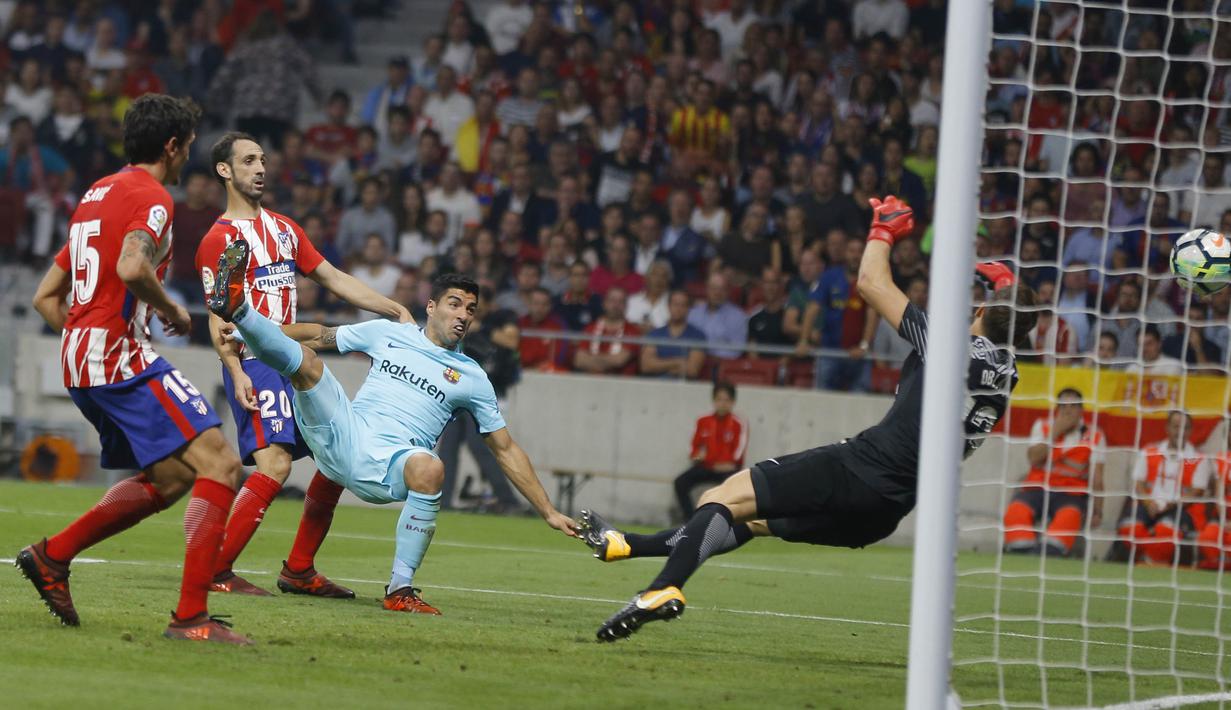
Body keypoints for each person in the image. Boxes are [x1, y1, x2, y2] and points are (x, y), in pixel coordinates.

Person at [575, 196, 1037, 641]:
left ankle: (660, 589)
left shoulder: (951, 345)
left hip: (860, 470)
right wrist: (1003, 290)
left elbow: (872, 285)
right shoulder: (1008, 372)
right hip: (888, 510)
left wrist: (884, 228)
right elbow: (1006, 320)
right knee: (748, 520)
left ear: (980, 309)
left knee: (721, 496)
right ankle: (627, 544)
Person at [210, 257, 577, 614]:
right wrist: (243, 332)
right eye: (455, 304)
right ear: (431, 307)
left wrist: (548, 511)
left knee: (430, 468)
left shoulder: (472, 377)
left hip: (390, 465)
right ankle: (241, 310)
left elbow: (505, 449)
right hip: (345, 432)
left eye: (471, 309)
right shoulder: (390, 333)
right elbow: (319, 334)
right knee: (307, 361)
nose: (464, 315)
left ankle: (399, 589)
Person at [18, 94, 251, 644]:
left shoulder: (95, 193)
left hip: (80, 356)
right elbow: (131, 265)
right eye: (189, 147)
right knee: (221, 462)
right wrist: (170, 309)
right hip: (114, 353)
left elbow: (44, 296)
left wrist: (83, 339)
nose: (187, 156)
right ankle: (191, 618)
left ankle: (52, 557)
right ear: (172, 147)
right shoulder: (151, 195)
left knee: (172, 477)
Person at [195, 132, 411, 596]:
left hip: (296, 365)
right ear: (224, 170)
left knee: (334, 460)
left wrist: (390, 308)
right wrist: (234, 372)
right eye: (249, 160)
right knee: (274, 465)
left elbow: (332, 276)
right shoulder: (218, 239)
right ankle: (215, 571)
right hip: (257, 361)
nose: (260, 168)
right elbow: (218, 317)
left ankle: (299, 568)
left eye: (263, 159)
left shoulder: (285, 229)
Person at [1002, 389, 1106, 557]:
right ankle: (1021, 553)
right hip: (1037, 488)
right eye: (1064, 406)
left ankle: (1046, 554)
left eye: (1073, 406)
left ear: (1081, 410)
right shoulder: (1042, 426)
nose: (1068, 410)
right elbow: (1034, 459)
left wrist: (1098, 510)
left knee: (1069, 517)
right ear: (1057, 408)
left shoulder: (1095, 435)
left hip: (1070, 493)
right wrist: (1054, 432)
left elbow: (1097, 477)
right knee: (1016, 511)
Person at [1117, 411, 1211, 565]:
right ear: (1167, 428)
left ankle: (1146, 563)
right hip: (1148, 505)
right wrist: (1148, 503)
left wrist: (1170, 505)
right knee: (1129, 527)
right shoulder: (1149, 452)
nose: (1180, 432)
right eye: (1176, 427)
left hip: (1180, 509)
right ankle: (1151, 560)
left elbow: (1197, 492)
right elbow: (1138, 483)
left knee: (1165, 531)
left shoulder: (1199, 459)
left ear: (1191, 431)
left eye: (1185, 428)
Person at [672, 382, 748, 517]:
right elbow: (693, 452)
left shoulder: (739, 423)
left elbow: (737, 456)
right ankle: (691, 521)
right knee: (680, 482)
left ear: (733, 402)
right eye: (719, 399)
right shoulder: (703, 421)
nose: (722, 403)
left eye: (726, 400)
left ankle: (728, 523)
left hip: (728, 470)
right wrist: (698, 458)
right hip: (706, 466)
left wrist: (725, 464)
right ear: (714, 401)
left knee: (736, 491)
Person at [641, 290, 707, 379]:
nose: (678, 309)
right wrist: (677, 362)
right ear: (668, 306)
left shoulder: (697, 336)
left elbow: (692, 370)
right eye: (675, 304)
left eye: (683, 305)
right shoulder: (655, 334)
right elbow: (646, 366)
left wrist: (659, 365)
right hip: (655, 387)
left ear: (688, 308)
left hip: (684, 388)